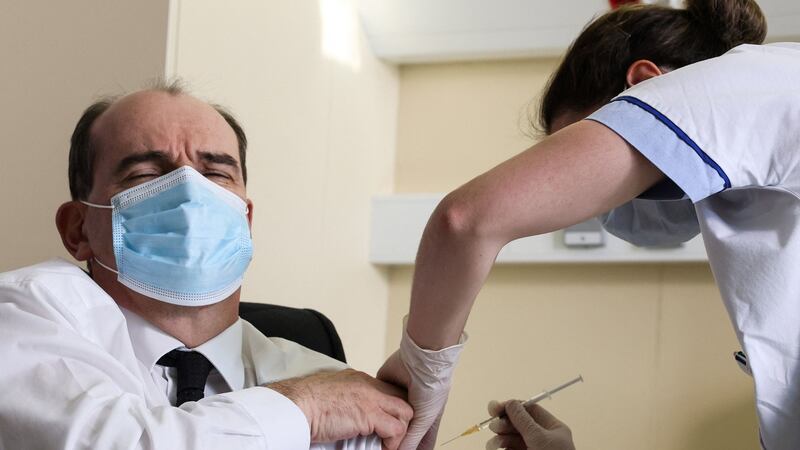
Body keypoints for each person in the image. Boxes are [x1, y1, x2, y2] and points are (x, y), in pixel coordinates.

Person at [376, 1, 800, 449]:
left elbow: (464, 220)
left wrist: (422, 374)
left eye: (576, 146)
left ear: (645, 84)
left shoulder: (746, 85)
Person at [0, 82, 422, 450]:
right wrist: (300, 409)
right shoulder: (25, 313)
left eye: (216, 174)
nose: (190, 196)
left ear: (246, 220)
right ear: (78, 229)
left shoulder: (325, 380)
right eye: (145, 173)